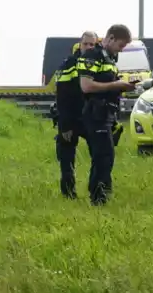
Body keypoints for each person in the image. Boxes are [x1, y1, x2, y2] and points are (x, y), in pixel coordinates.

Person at [78, 24, 137, 206]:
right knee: (103, 156)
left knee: (107, 156)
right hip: (96, 113)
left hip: (107, 113)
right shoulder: (92, 56)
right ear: (110, 38)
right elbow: (86, 86)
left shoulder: (109, 59)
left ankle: (103, 194)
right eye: (120, 45)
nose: (121, 49)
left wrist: (123, 85)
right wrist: (117, 85)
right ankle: (98, 198)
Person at [54, 31, 99, 199]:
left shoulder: (97, 62)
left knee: (98, 155)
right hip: (71, 117)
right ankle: (68, 192)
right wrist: (65, 125)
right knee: (66, 159)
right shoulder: (69, 64)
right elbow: (62, 97)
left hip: (91, 117)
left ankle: (95, 190)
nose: (88, 47)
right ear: (80, 44)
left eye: (92, 44)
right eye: (86, 44)